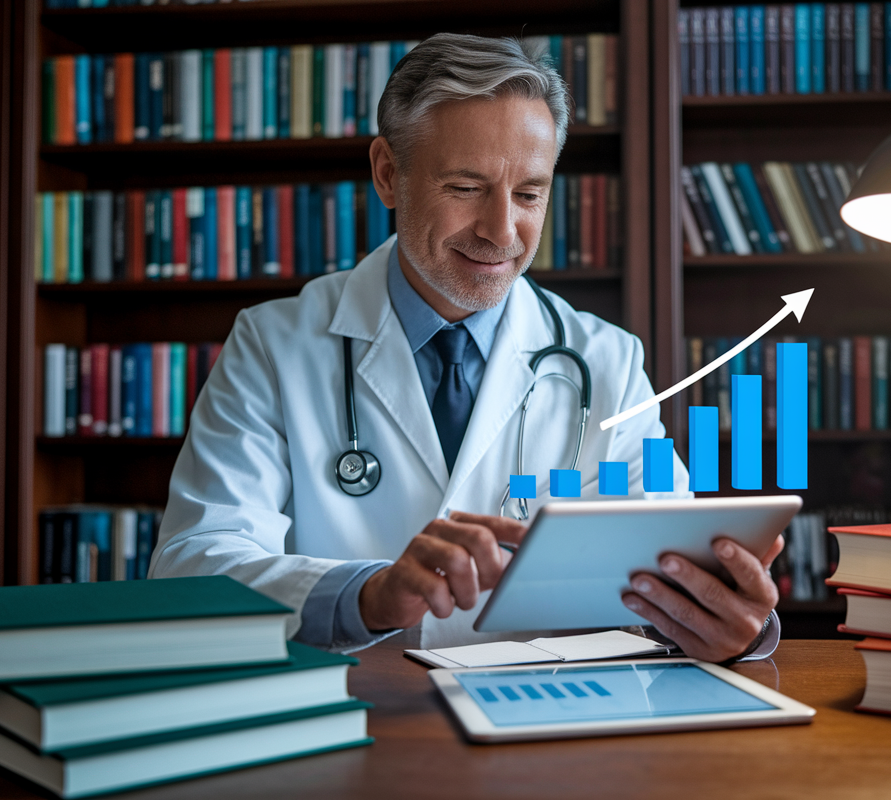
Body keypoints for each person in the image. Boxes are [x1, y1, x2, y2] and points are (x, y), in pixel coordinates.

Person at [149, 34, 783, 663]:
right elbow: (193, 567)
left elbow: (667, 574)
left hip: (547, 732)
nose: (501, 230)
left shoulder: (608, 363)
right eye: (465, 187)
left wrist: (731, 627)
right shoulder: (272, 344)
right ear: (388, 173)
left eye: (529, 194)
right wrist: (366, 596)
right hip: (348, 722)